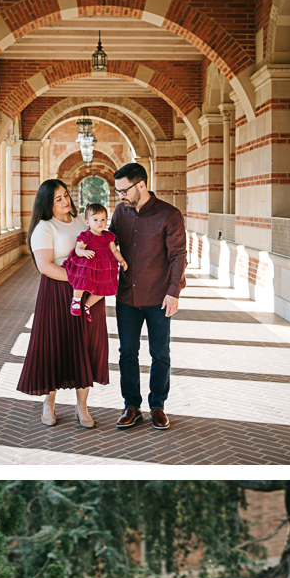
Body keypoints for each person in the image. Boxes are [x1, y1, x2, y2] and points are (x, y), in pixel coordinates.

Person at [17, 179, 109, 429]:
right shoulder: (44, 227)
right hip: (58, 292)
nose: (65, 200)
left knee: (86, 345)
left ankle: (82, 406)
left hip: (89, 291)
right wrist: (79, 276)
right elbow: (45, 266)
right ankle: (49, 401)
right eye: (58, 198)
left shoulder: (82, 221)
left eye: (66, 195)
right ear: (48, 203)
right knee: (56, 344)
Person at [109, 162, 187, 431]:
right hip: (126, 296)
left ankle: (157, 407)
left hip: (158, 297)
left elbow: (178, 256)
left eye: (124, 190)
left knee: (160, 354)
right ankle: (131, 406)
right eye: (118, 191)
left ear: (140, 185)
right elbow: (109, 242)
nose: (120, 196)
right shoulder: (121, 211)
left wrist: (173, 292)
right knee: (127, 352)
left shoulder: (169, 215)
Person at [63, 203, 128, 319]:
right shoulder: (86, 236)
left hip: (103, 268)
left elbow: (114, 251)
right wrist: (84, 252)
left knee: (102, 291)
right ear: (87, 222)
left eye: (103, 219)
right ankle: (76, 300)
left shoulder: (108, 236)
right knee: (81, 281)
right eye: (96, 219)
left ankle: (87, 305)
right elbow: (78, 249)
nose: (100, 222)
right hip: (88, 266)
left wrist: (121, 260)